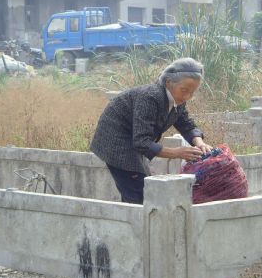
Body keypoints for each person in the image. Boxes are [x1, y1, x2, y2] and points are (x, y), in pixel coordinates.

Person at [90, 57, 212, 204]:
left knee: (145, 187)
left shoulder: (177, 101)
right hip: (115, 141)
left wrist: (199, 143)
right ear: (168, 82)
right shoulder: (151, 97)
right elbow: (141, 142)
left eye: (192, 92)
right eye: (184, 90)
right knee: (138, 192)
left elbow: (186, 124)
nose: (187, 97)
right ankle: (134, 222)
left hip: (133, 141)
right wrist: (177, 153)